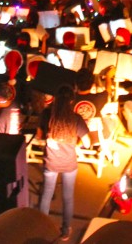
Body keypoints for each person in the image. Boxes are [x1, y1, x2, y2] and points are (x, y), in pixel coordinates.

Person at [37, 86, 90, 240]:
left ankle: (41, 227)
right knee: (67, 197)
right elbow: (87, 143)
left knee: (46, 195)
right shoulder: (76, 119)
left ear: (56, 99)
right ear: (71, 101)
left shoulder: (47, 114)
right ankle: (65, 230)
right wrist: (74, 143)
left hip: (51, 162)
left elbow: (39, 136)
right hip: (69, 163)